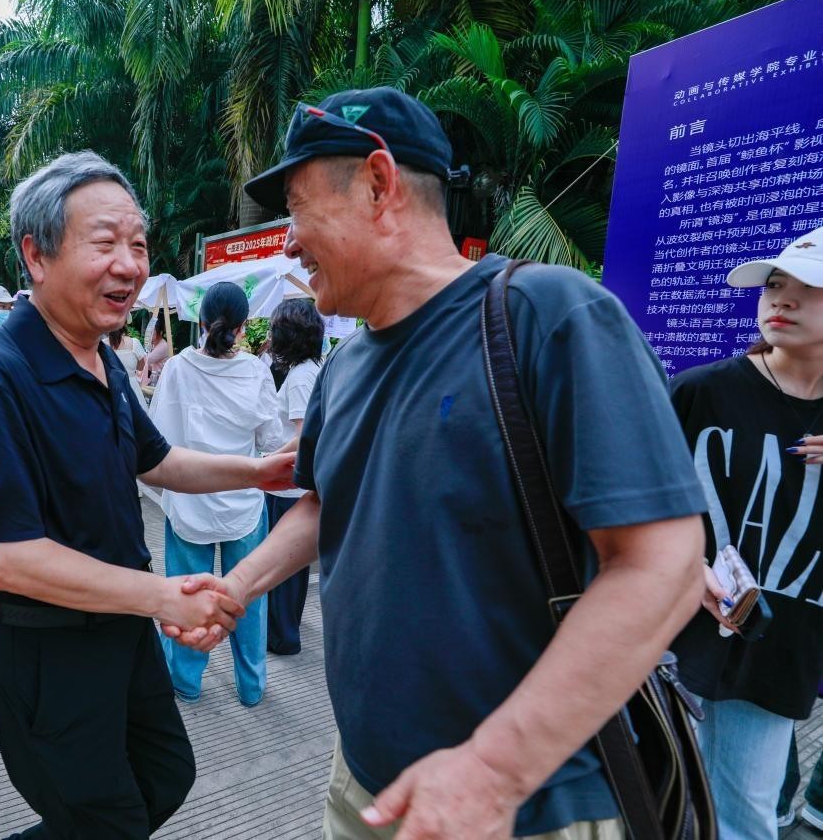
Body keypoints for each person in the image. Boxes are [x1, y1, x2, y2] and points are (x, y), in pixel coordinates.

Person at [166, 86, 708, 839]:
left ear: (378, 183)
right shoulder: (345, 365)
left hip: (518, 807)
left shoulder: (547, 316)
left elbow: (665, 565)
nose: (288, 243)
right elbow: (325, 500)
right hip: (364, 782)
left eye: (297, 210)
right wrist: (238, 585)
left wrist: (495, 767)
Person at [0, 150, 295, 840]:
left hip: (121, 629)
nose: (129, 265)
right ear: (36, 256)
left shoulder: (102, 357)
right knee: (107, 820)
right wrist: (162, 596)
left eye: (137, 244)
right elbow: (7, 560)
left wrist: (257, 472)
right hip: (48, 649)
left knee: (166, 775)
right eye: (104, 244)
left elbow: (156, 460)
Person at [666, 227, 823, 840]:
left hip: (782, 641)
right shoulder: (702, 390)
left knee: (744, 817)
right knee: (667, 797)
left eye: (810, 288)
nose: (781, 299)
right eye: (774, 284)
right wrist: (685, 567)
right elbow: (636, 504)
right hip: (674, 624)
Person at [148, 282, 283, 706]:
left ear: (201, 322)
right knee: (250, 598)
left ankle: (186, 682)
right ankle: (251, 686)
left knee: (187, 598)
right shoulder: (256, 371)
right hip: (244, 503)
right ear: (243, 326)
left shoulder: (177, 368)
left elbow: (157, 438)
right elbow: (272, 438)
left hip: (189, 502)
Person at [262, 297, 323, 655]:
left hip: (286, 487)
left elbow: (303, 436)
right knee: (292, 567)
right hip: (294, 485)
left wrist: (268, 459)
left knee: (282, 566)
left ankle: (282, 636)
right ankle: (286, 631)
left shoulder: (300, 377)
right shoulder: (313, 368)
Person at [108, 320, 147, 408]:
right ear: (125, 324)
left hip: (110, 387)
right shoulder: (134, 343)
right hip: (131, 387)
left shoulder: (102, 344)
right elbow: (141, 367)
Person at [139, 314, 169, 386]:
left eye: (153, 331)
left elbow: (147, 360)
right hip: (154, 378)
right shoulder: (153, 344)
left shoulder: (163, 346)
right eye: (149, 330)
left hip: (160, 381)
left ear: (160, 332)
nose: (150, 333)